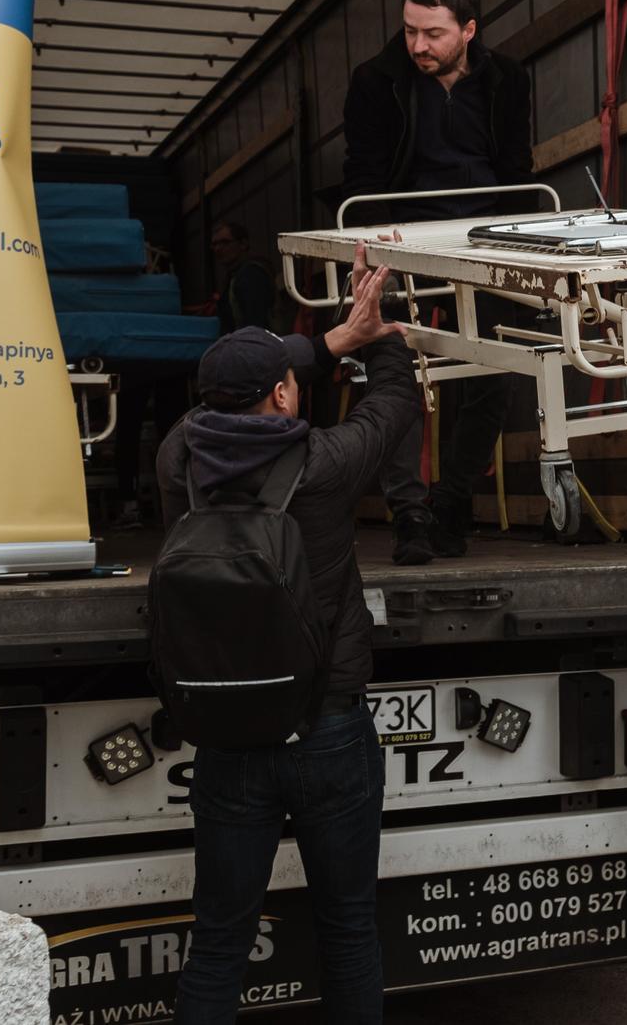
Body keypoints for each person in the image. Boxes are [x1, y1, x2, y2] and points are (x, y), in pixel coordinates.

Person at [154, 241, 416, 1024]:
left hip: (228, 742)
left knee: (219, 942)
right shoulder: (328, 464)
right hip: (329, 728)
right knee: (348, 932)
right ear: (281, 394)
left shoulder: (176, 463)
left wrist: (325, 343)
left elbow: (210, 407)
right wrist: (382, 339)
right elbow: (393, 408)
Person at [340, 0, 533, 565]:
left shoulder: (506, 80)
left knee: (492, 376)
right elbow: (365, 174)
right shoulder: (376, 81)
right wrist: (376, 243)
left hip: (482, 243)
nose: (417, 45)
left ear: (468, 31)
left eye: (432, 33)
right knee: (394, 375)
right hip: (403, 241)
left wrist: (524, 251)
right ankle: (410, 516)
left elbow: (518, 172)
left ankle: (452, 504)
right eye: (409, 31)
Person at [209, 222, 276, 335]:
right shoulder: (234, 276)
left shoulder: (251, 275)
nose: (218, 249)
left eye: (225, 242)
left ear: (243, 244)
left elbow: (255, 323)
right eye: (214, 244)